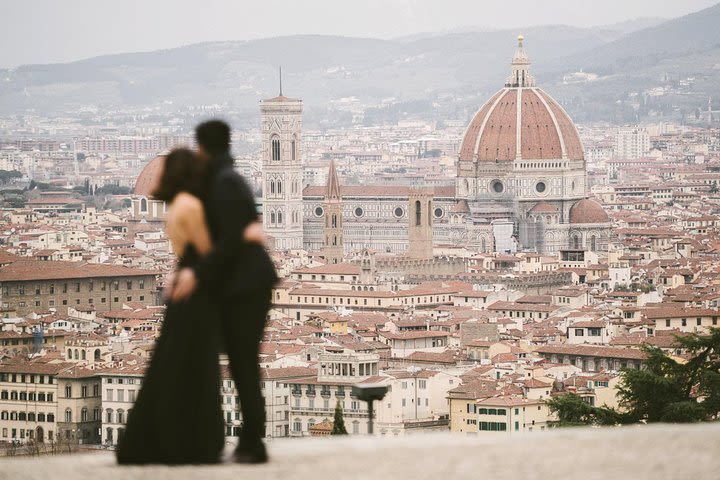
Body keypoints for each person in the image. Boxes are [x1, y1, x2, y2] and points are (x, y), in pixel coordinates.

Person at [170, 120, 277, 464]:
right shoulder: (228, 180)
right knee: (243, 361)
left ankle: (252, 443)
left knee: (243, 361)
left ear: (202, 148)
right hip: (244, 285)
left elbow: (230, 241)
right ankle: (247, 442)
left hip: (247, 287)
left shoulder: (225, 183)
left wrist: (195, 274)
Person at [116, 148, 224, 465]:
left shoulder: (177, 208)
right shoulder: (191, 206)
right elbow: (209, 252)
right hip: (197, 294)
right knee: (199, 366)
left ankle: (152, 438)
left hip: (179, 294)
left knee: (169, 365)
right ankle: (201, 440)